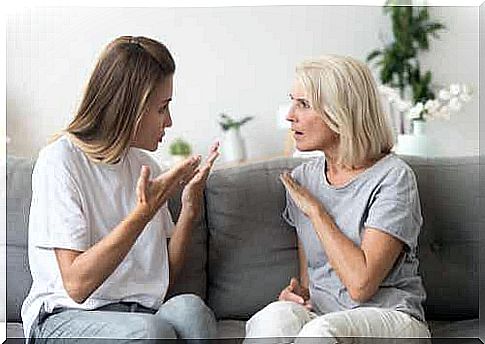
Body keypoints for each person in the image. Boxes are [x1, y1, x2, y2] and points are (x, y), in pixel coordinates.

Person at [21, 36, 219, 342]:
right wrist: (142, 213)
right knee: (151, 332)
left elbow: (161, 283)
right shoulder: (61, 161)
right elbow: (77, 285)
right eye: (161, 108)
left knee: (191, 312)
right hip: (66, 316)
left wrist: (190, 209)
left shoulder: (145, 165)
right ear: (129, 107)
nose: (169, 121)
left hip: (139, 315)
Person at [245, 55, 431, 343]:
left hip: (391, 318)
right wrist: (298, 296)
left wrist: (317, 212)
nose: (289, 115)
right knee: (275, 317)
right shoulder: (304, 179)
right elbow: (313, 277)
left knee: (321, 332)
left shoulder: (393, 177)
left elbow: (360, 285)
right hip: (321, 317)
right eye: (292, 101)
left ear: (340, 113)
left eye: (303, 104)